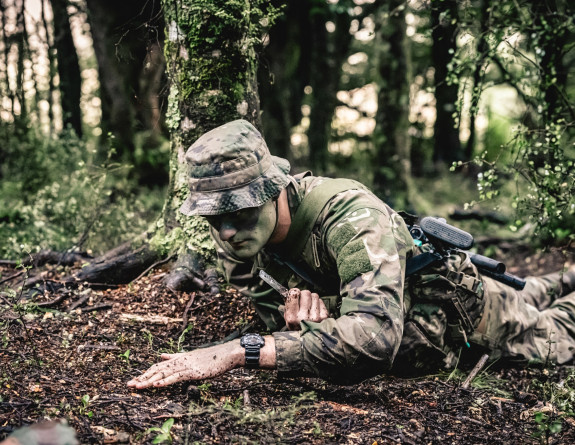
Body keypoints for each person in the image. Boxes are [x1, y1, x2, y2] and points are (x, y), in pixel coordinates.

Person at [127, 119, 575, 389]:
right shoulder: (241, 243)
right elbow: (282, 318)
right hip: (409, 292)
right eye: (214, 217)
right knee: (540, 285)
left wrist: (236, 352)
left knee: (560, 325)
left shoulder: (349, 218)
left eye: (240, 211)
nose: (226, 231)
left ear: (274, 189)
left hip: (464, 316)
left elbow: (375, 338)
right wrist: (313, 321)